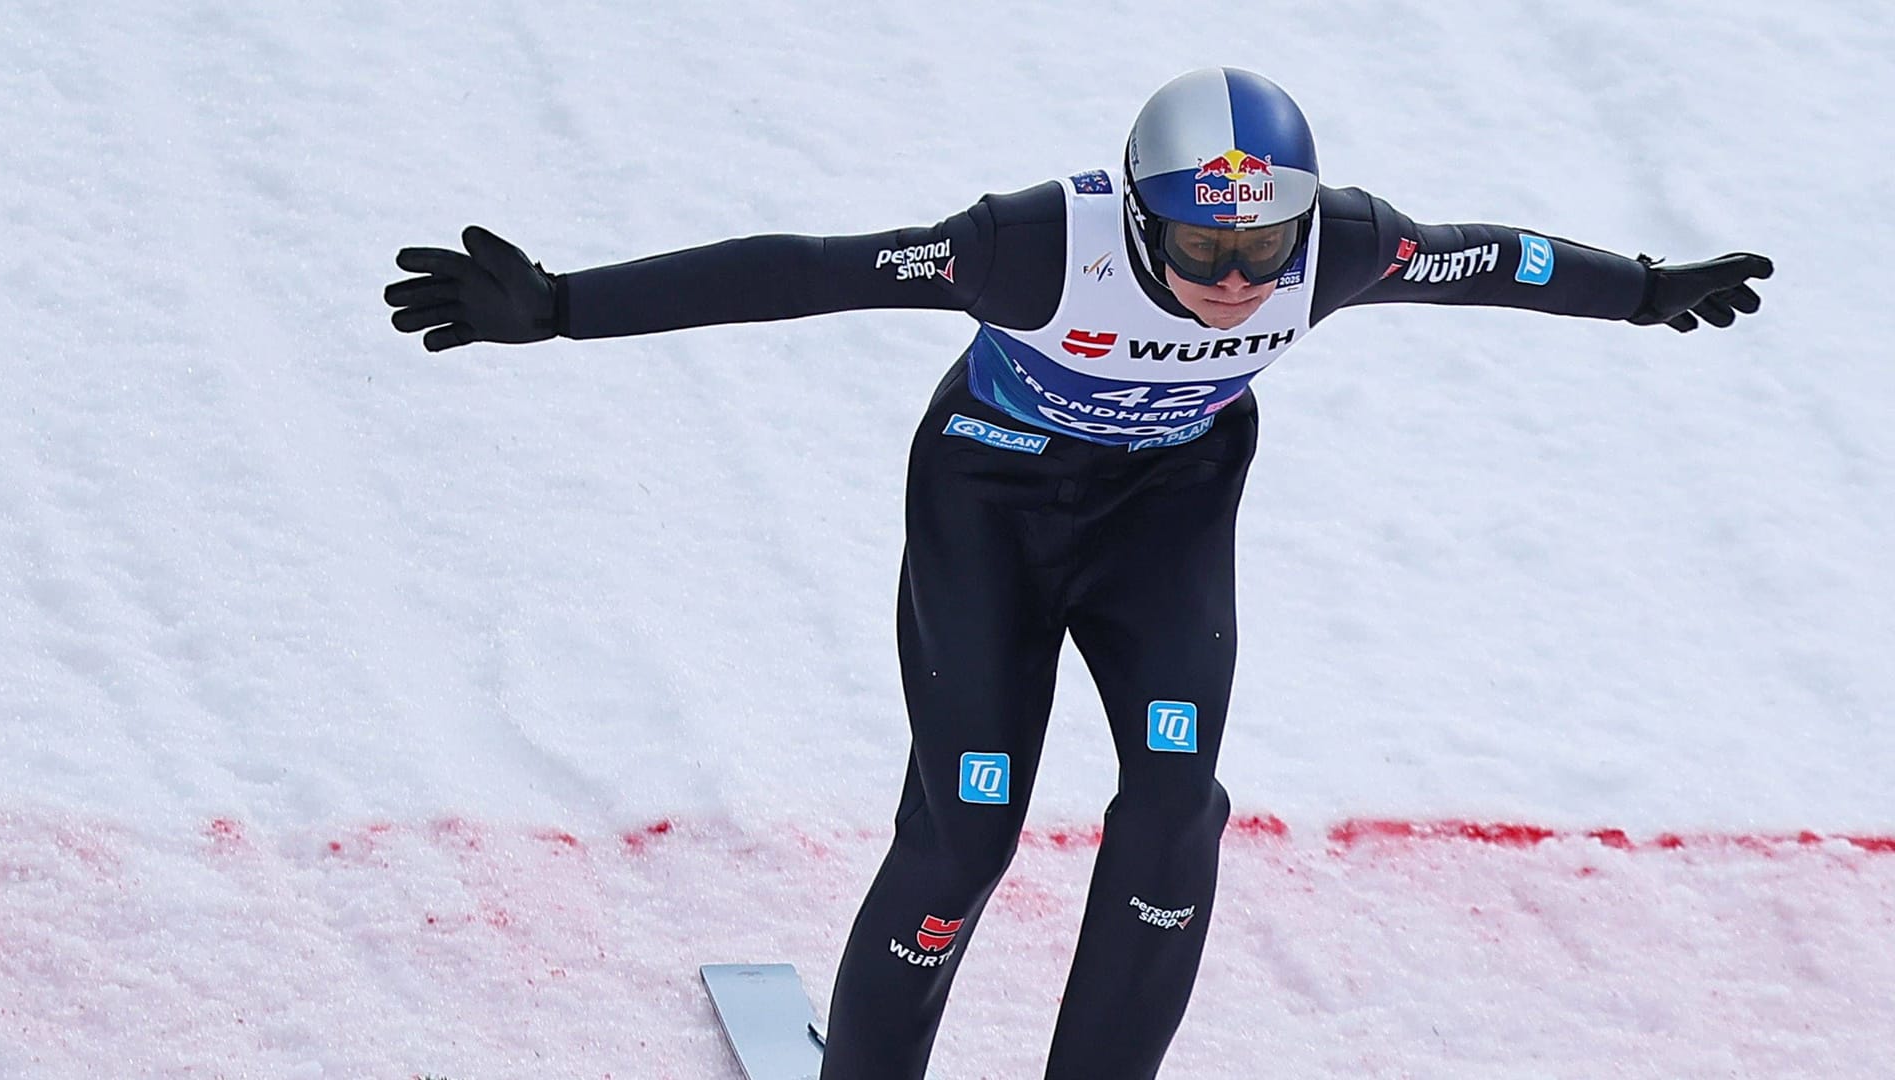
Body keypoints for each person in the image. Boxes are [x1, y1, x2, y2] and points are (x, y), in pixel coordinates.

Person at [385, 67, 1771, 1079]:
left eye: (1264, 246)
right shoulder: (1033, 245)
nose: (1238, 280)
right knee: (968, 830)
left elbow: (1497, 260)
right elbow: (807, 272)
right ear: (1142, 215)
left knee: (1174, 811)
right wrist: (565, 309)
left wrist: (1645, 290)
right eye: (1205, 245)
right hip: (989, 510)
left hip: (1162, 519)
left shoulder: (1339, 244)